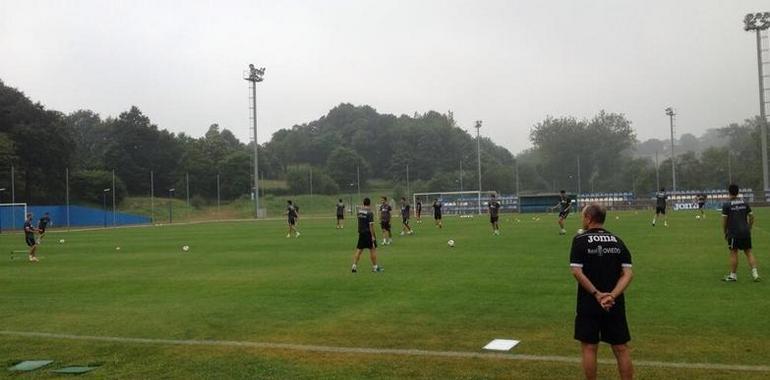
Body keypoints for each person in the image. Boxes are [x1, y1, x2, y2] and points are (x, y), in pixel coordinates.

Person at [570, 204, 634, 380]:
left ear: (589, 218)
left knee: (590, 347)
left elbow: (576, 271)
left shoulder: (580, 240)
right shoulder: (617, 241)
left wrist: (597, 294)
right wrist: (612, 295)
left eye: (583, 216)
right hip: (614, 303)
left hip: (589, 301)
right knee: (621, 348)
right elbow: (628, 274)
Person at [722, 184, 760, 282]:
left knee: (734, 252)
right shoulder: (745, 203)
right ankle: (755, 274)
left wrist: (725, 232)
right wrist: (749, 227)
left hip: (734, 233)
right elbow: (751, 216)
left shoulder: (727, 205)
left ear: (729, 192)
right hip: (745, 232)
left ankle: (733, 275)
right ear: (738, 192)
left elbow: (724, 221)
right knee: (748, 252)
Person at [352, 197, 382, 273]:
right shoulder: (370, 212)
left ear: (363, 203)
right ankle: (375, 267)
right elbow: (371, 225)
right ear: (370, 203)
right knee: (372, 249)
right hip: (368, 233)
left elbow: (359, 222)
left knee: (359, 250)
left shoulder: (359, 212)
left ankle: (354, 266)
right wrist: (372, 236)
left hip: (361, 233)